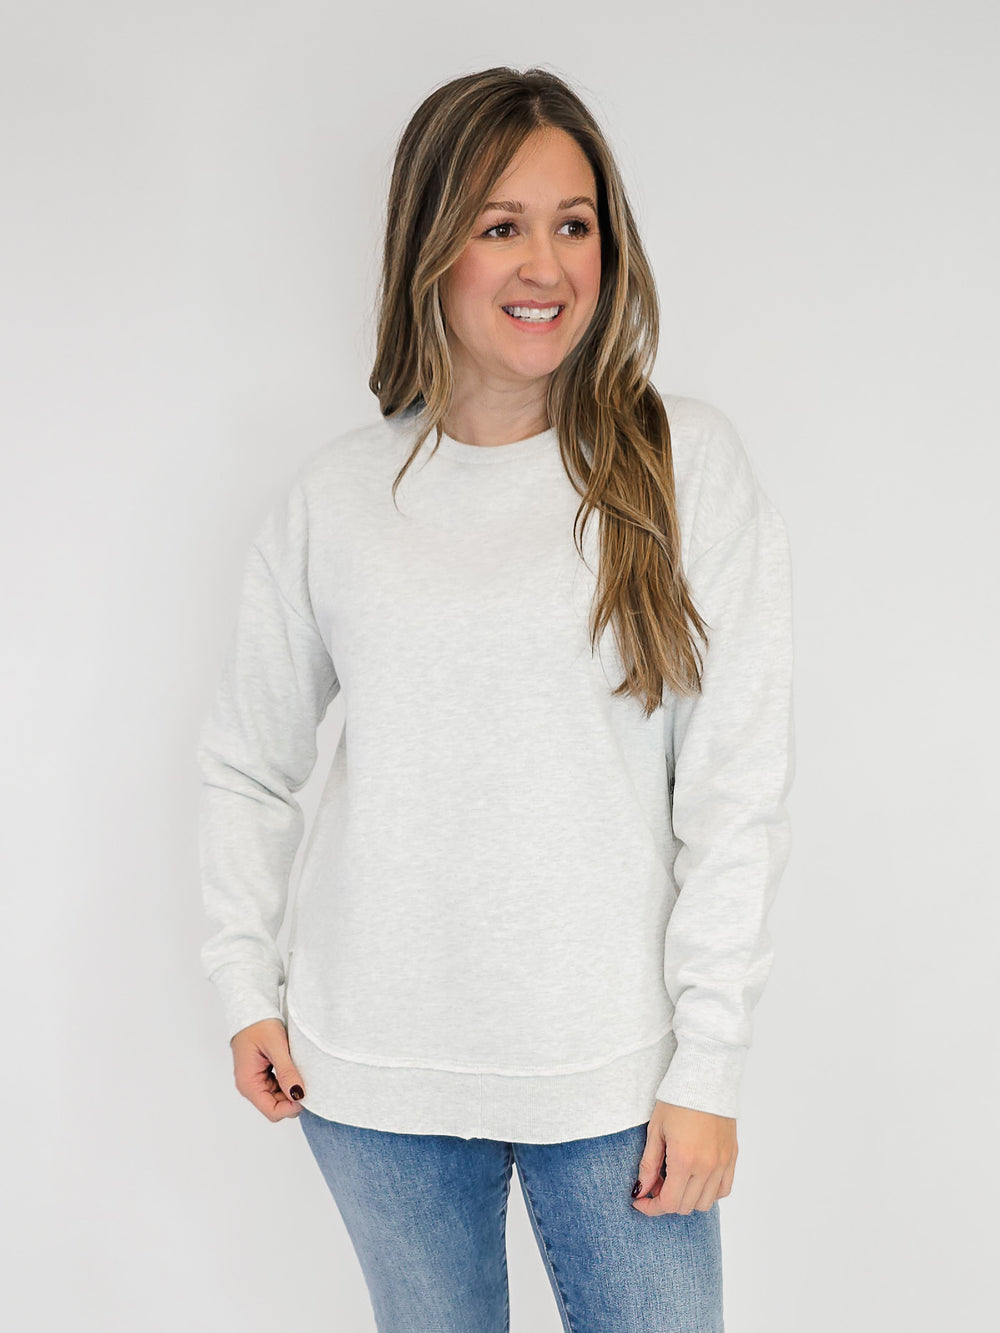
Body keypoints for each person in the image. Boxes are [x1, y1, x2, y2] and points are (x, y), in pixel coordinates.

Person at [196, 65, 794, 1333]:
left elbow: (733, 791)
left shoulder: (679, 465)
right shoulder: (339, 498)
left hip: (616, 1082)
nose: (545, 265)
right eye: (500, 224)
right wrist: (246, 984)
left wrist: (708, 1065)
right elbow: (249, 762)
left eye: (574, 223)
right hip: (374, 1076)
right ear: (431, 245)